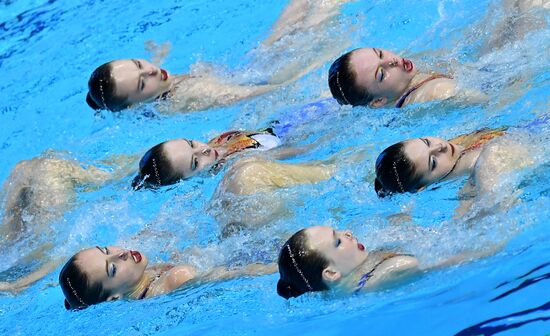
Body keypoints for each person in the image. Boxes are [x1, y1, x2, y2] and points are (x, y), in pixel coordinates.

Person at [86, 0, 353, 113]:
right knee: (322, 13)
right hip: (266, 75)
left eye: (139, 64)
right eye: (142, 82)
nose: (152, 71)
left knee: (298, 5)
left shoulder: (153, 94)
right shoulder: (191, 94)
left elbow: (152, 72)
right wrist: (301, 80)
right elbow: (245, 95)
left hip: (250, 67)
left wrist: (158, 53)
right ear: (134, 105)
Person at [328, 0, 548, 108]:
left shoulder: (405, 81)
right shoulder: (437, 92)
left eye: (380, 53)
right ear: (378, 102)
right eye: (381, 74)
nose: (392, 60)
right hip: (510, 71)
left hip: (487, 65)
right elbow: (498, 102)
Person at [0, 153, 135, 292]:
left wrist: (18, 284)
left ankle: (141, 162)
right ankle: (143, 161)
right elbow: (58, 257)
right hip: (40, 176)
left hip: (47, 177)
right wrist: (18, 284)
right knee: (43, 167)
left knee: (33, 168)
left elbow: (57, 257)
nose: (122, 253)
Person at [277, 225, 498, 299]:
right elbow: (442, 262)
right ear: (332, 273)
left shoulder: (328, 291)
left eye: (339, 230)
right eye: (338, 241)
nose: (348, 233)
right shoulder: (388, 274)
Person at [59, 245, 276, 310]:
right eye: (112, 269)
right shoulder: (177, 280)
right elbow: (236, 275)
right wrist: (277, 268)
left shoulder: (141, 284)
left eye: (106, 250)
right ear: (113, 297)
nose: (120, 254)